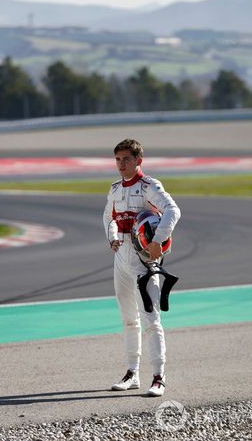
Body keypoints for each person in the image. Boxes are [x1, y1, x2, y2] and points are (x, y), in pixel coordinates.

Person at [103, 139, 181, 397]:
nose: (121, 164)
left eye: (126, 159)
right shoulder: (114, 189)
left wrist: (158, 240)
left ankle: (159, 377)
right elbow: (109, 217)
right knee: (128, 318)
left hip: (144, 259)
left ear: (138, 161)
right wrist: (112, 235)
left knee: (151, 319)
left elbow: (173, 210)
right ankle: (132, 372)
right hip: (120, 259)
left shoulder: (150, 186)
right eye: (117, 159)